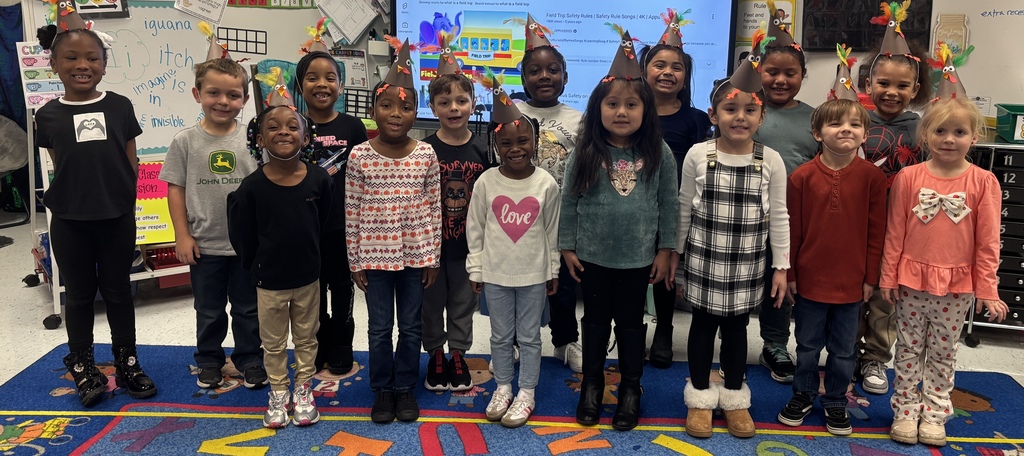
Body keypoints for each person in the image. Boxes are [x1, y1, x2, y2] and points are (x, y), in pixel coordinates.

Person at [35, 9, 157, 407]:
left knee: (120, 292)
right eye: (70, 58)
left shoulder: (120, 106)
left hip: (116, 217)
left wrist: (122, 198)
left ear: (104, 65)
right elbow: (61, 162)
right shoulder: (47, 114)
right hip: (70, 221)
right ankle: (84, 365)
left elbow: (130, 159)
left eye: (92, 57)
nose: (82, 65)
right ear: (53, 64)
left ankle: (127, 361)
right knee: (81, 294)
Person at [561, 29, 678, 432]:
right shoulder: (587, 149)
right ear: (599, 109)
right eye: (613, 104)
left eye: (631, 105)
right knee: (594, 320)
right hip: (593, 255)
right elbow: (569, 199)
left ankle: (631, 388)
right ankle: (591, 385)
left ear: (647, 111)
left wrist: (666, 250)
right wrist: (566, 244)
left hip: (638, 257)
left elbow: (669, 204)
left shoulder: (657, 152)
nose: (622, 112)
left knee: (630, 323)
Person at [676, 52, 789, 440]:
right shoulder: (698, 155)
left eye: (749, 111)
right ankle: (701, 398)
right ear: (713, 115)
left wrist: (781, 267)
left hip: (746, 266)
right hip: (703, 262)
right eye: (730, 109)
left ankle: (736, 397)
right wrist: (674, 257)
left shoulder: (770, 160)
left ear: (761, 118)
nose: (739, 117)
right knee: (702, 328)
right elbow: (682, 211)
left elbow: (779, 216)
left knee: (738, 332)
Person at [883, 97, 1007, 447]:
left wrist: (988, 289)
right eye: (940, 131)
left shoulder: (984, 183)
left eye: (959, 132)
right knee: (907, 348)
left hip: (957, 284)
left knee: (943, 351)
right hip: (911, 280)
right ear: (925, 134)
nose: (949, 139)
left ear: (974, 136)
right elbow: (895, 232)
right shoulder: (909, 177)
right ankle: (905, 410)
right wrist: (888, 276)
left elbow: (988, 243)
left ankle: (935, 412)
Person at [160, 27, 267, 392]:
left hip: (245, 246)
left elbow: (265, 187)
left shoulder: (253, 139)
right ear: (197, 94)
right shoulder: (185, 141)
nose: (223, 101)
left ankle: (250, 357)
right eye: (214, 93)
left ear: (245, 98)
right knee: (208, 309)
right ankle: (209, 359)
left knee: (247, 308)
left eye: (233, 95)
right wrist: (182, 235)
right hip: (203, 244)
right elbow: (175, 190)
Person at [227, 70, 333, 428]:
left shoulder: (319, 179)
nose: (283, 132)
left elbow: (324, 223)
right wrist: (254, 266)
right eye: (274, 127)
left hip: (308, 278)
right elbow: (243, 234)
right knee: (272, 343)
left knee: (306, 338)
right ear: (259, 137)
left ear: (305, 137)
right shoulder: (251, 187)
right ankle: (278, 391)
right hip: (268, 281)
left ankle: (303, 388)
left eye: (292, 126)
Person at [776, 99, 887, 436]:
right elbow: (791, 229)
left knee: (844, 349)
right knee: (807, 345)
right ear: (817, 133)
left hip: (852, 283)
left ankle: (837, 398)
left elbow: (876, 232)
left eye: (854, 125)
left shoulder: (873, 178)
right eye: (836, 124)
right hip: (810, 280)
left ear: (865, 134)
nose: (845, 130)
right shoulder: (801, 177)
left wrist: (871, 277)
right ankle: (804, 393)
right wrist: (791, 274)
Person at [345, 40, 442, 424]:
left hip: (416, 256)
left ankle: (405, 387)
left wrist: (432, 256)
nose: (396, 114)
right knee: (380, 326)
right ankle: (382, 388)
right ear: (373, 111)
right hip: (375, 257)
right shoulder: (359, 155)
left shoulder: (425, 154)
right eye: (386, 105)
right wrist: (355, 261)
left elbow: (434, 208)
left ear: (415, 111)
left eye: (405, 107)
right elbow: (351, 210)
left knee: (412, 325)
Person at [470, 75, 560, 428]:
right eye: (506, 143)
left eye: (523, 140)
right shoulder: (487, 182)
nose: (515, 148)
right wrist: (476, 269)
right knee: (499, 336)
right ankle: (503, 386)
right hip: (496, 273)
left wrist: (552, 270)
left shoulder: (545, 184)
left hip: (534, 274)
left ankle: (526, 391)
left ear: (535, 142)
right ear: (496, 145)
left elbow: (552, 231)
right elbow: (474, 229)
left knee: (529, 337)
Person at [857, 1, 934, 396]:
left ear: (915, 90)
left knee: (886, 298)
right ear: (868, 84)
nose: (891, 92)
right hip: (854, 226)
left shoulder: (922, 130)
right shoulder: (853, 121)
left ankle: (875, 357)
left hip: (899, 229)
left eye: (902, 85)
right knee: (854, 291)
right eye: (883, 83)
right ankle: (846, 350)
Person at [638, 8, 711, 369]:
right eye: (659, 65)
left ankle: (664, 329)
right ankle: (631, 329)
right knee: (634, 272)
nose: (667, 72)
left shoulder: (697, 121)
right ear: (643, 71)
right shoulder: (631, 112)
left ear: (686, 77)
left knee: (667, 274)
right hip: (634, 208)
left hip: (678, 210)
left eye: (677, 67)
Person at [293, 30, 369, 376]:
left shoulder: (353, 127)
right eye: (312, 77)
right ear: (301, 85)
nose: (321, 84)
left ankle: (342, 344)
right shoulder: (292, 126)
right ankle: (319, 342)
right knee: (311, 291)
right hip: (305, 227)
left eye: (330, 77)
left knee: (341, 288)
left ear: (340, 85)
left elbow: (362, 177)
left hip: (342, 227)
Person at [515, 14, 585, 373]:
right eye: (536, 71)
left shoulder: (578, 119)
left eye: (553, 69)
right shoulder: (512, 113)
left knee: (564, 282)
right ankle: (514, 340)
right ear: (523, 78)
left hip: (561, 214)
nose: (545, 76)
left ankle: (565, 340)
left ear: (565, 77)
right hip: (517, 214)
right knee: (518, 280)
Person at [421, 42, 491, 392]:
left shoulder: (483, 148)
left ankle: (458, 353)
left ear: (473, 105)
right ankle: (436, 353)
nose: (453, 108)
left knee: (464, 305)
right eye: (444, 102)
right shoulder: (423, 149)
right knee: (431, 305)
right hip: (431, 248)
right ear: (432, 107)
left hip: (469, 246)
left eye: (461, 101)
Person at [751, 21, 818, 384]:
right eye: (771, 71)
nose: (779, 80)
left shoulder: (813, 117)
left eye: (789, 73)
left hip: (793, 218)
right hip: (746, 213)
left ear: (803, 75)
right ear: (759, 70)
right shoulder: (746, 107)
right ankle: (723, 334)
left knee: (781, 282)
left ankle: (775, 343)